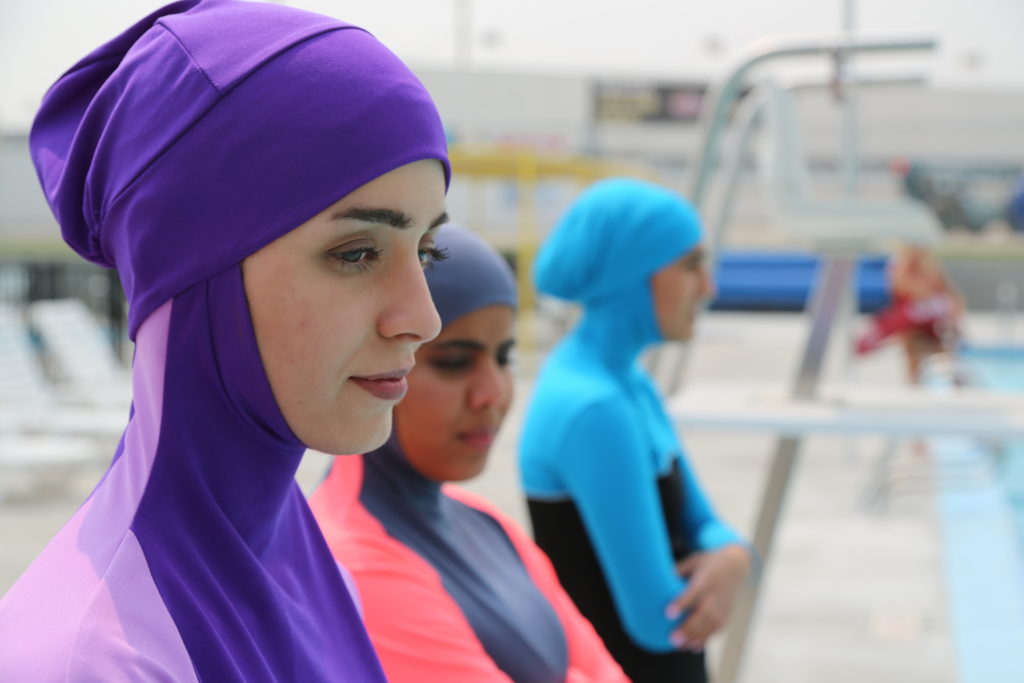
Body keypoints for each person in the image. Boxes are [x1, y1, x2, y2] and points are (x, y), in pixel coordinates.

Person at [0, 1, 451, 679]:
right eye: (357, 253)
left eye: (428, 251)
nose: (423, 317)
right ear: (191, 270)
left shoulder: (299, 558)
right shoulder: (96, 658)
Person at [309, 225, 627, 683]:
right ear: (377, 363)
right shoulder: (352, 563)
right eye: (455, 362)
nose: (492, 394)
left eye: (504, 358)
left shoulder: (487, 524)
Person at [519, 178, 754, 682]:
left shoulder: (628, 383)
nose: (708, 287)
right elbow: (658, 619)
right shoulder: (594, 407)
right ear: (633, 274)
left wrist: (734, 556)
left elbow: (703, 521)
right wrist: (727, 564)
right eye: (691, 266)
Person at [856, 243, 965, 383]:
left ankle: (950, 382)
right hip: (911, 322)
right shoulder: (902, 268)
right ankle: (916, 382)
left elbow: (952, 296)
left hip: (928, 321)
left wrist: (954, 320)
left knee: (942, 352)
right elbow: (911, 291)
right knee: (913, 348)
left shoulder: (930, 267)